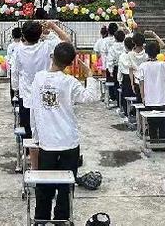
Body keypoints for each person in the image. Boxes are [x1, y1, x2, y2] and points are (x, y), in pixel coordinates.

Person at [30, 42, 99, 223]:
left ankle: (41, 219)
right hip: (69, 141)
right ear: (69, 64)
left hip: (47, 142)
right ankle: (62, 219)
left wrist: (36, 137)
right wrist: (90, 76)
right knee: (66, 187)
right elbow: (90, 97)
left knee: (44, 187)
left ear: (52, 56)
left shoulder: (38, 79)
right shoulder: (69, 82)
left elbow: (34, 110)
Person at [12, 20, 70, 137]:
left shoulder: (18, 49)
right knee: (47, 128)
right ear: (40, 34)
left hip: (27, 95)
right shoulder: (47, 46)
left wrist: (15, 89)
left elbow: (15, 71)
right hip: (47, 92)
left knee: (28, 131)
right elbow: (67, 41)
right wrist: (53, 26)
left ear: (23, 35)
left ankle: (28, 153)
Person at [139, 42, 165, 142]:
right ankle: (163, 141)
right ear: (158, 52)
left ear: (147, 53)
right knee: (164, 123)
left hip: (149, 100)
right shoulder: (164, 65)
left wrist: (143, 97)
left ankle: (154, 141)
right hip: (162, 100)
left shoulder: (143, 66)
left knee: (152, 124)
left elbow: (141, 83)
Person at [103, 29, 126, 105]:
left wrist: (111, 71)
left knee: (116, 85)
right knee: (123, 85)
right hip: (124, 67)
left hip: (116, 68)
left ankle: (117, 100)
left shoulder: (112, 48)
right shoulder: (125, 46)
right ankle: (123, 102)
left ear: (115, 38)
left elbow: (110, 60)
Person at [118, 36, 135, 117]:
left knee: (125, 96)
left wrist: (119, 80)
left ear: (125, 46)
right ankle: (135, 112)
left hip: (125, 77)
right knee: (135, 95)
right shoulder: (136, 55)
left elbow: (120, 69)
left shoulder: (122, 56)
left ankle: (126, 112)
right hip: (135, 77)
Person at [6, 27, 23, 101]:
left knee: (13, 83)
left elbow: (8, 57)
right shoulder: (23, 45)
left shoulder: (10, 46)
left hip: (14, 67)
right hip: (20, 67)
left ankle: (14, 99)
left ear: (12, 36)